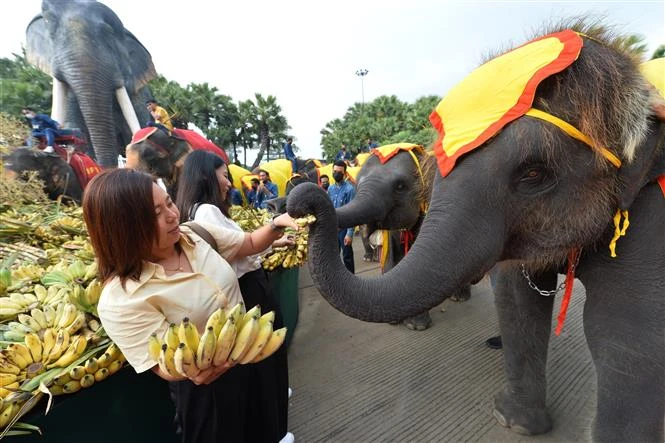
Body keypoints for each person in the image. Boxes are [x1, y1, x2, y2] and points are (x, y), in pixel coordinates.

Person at [82, 168, 298, 443]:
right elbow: (167, 367)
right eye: (154, 214)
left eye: (168, 203)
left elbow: (250, 242)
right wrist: (203, 363)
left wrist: (278, 223)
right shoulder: (121, 299)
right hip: (208, 393)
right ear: (124, 228)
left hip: (251, 359)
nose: (172, 216)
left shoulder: (196, 235)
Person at [176, 150, 294, 442]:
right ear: (206, 175)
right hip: (249, 289)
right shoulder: (206, 211)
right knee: (264, 365)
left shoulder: (193, 210)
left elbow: (244, 247)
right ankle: (273, 429)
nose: (228, 183)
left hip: (244, 286)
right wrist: (276, 226)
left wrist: (274, 243)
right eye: (224, 175)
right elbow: (246, 249)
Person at [328, 160, 356, 273]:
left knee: (347, 257)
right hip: (333, 228)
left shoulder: (350, 189)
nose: (336, 174)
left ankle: (351, 281)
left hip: (344, 228)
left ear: (344, 173)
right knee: (333, 256)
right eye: (335, 171)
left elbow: (352, 212)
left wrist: (350, 234)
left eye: (339, 172)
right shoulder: (330, 189)